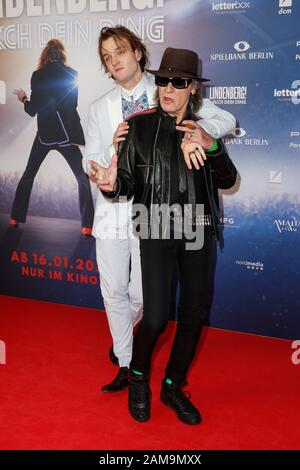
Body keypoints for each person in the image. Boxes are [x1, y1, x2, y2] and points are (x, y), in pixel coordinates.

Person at [82, 26, 236, 393]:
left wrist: (194, 132)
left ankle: (138, 353)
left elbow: (225, 120)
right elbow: (93, 158)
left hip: (153, 215)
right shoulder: (98, 107)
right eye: (106, 56)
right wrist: (112, 155)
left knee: (146, 301)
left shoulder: (169, 90)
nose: (113, 60)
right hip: (113, 208)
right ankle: (125, 363)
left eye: (119, 50)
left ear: (138, 52)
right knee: (113, 293)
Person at [11, 38, 94, 237]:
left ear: (45, 55)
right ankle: (87, 227)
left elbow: (32, 110)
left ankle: (14, 217)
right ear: (62, 55)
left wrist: (23, 97)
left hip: (45, 135)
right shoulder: (73, 74)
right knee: (82, 178)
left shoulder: (38, 76)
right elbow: (71, 106)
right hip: (66, 135)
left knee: (28, 175)